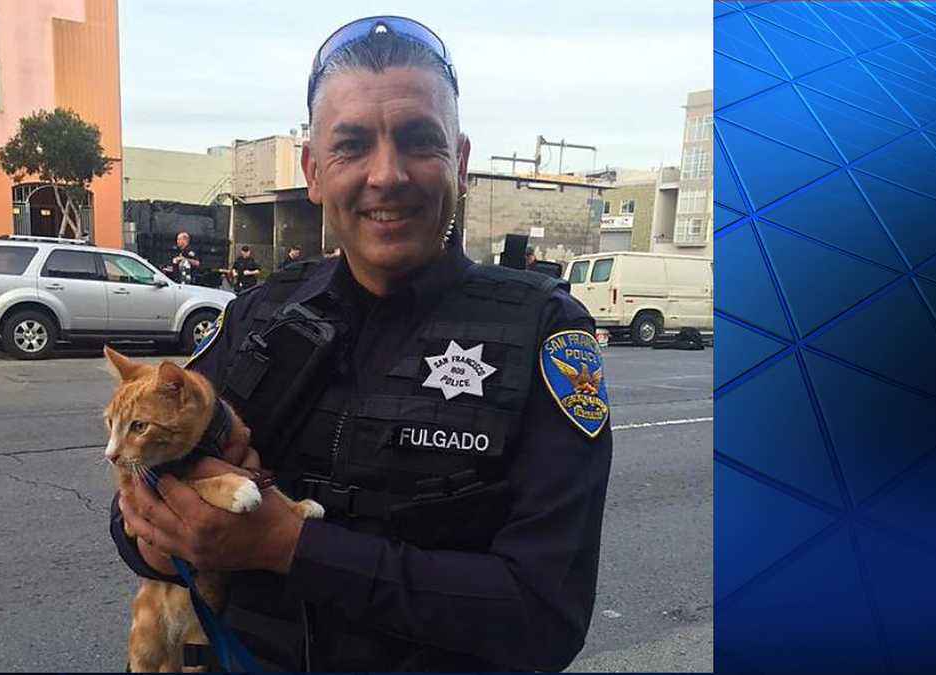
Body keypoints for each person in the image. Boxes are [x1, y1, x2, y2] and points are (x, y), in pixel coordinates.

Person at [111, 15, 612, 672]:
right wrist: (165, 533)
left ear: (458, 163)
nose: (387, 175)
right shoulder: (260, 313)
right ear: (314, 171)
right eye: (351, 147)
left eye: (418, 141)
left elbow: (545, 613)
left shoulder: (543, 330)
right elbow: (130, 515)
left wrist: (290, 546)